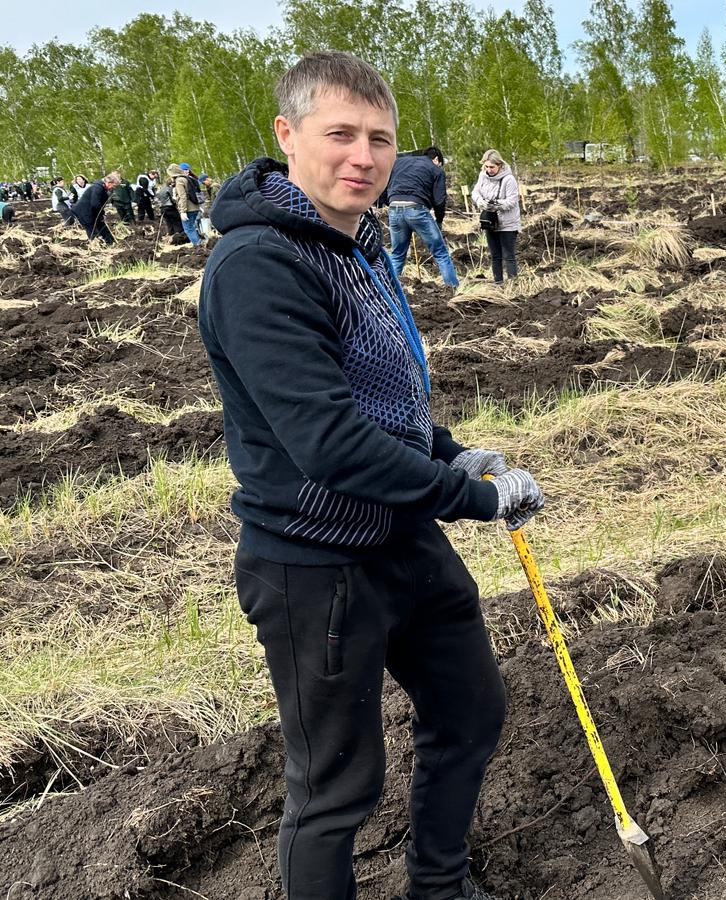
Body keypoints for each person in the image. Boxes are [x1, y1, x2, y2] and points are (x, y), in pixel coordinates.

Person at [197, 51, 542, 900]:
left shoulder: (356, 245)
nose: (363, 157)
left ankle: (439, 887)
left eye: (379, 139)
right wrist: (475, 496)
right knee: (334, 791)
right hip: (313, 563)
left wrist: (450, 449)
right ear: (287, 135)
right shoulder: (257, 266)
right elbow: (332, 443)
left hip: (400, 536)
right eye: (340, 134)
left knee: (469, 712)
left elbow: (386, 399)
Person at [385, 146, 459, 288]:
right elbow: (439, 200)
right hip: (416, 209)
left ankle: (389, 291)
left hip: (394, 208)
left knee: (397, 255)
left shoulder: (399, 163)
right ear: (436, 159)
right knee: (441, 253)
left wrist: (387, 201)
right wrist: (439, 220)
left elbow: (385, 183)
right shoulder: (435, 169)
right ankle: (453, 289)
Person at [471, 150, 521, 284]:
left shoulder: (509, 179)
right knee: (495, 256)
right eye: (486, 167)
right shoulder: (483, 176)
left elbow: (512, 201)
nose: (489, 170)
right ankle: (498, 283)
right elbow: (475, 192)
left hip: (508, 223)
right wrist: (480, 201)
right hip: (491, 222)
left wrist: (496, 204)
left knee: (508, 256)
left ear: (499, 165)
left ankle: (513, 285)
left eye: (492, 167)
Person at [73, 170, 120, 246]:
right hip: (84, 212)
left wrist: (101, 214)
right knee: (92, 229)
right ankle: (97, 245)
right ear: (109, 183)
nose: (113, 188)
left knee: (101, 225)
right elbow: (95, 203)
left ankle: (111, 242)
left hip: (92, 211)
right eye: (113, 186)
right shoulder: (97, 188)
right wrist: (101, 214)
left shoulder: (102, 187)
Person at [174, 163, 203, 246]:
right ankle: (200, 242)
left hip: (188, 208)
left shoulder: (180, 180)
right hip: (196, 207)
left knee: (189, 229)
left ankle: (198, 245)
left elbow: (182, 196)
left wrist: (183, 211)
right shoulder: (192, 179)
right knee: (193, 226)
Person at [159, 166, 185, 242]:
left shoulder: (161, 189)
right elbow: (172, 199)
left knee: (169, 223)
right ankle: (178, 237)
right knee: (177, 221)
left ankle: (171, 236)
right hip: (170, 207)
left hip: (163, 208)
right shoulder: (169, 189)